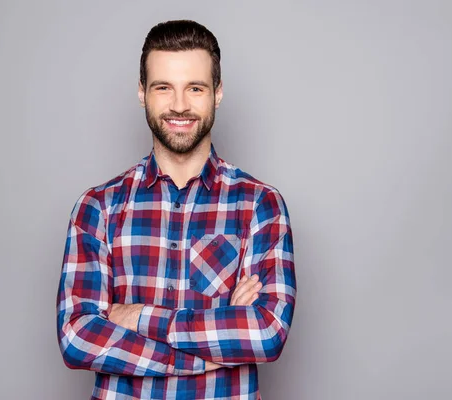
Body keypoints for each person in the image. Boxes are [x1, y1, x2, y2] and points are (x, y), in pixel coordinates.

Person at [56, 19, 297, 400]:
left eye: (195, 88)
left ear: (217, 94)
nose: (180, 105)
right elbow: (77, 338)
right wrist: (210, 350)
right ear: (142, 92)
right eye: (163, 87)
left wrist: (137, 318)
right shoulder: (97, 208)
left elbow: (265, 333)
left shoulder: (259, 205)